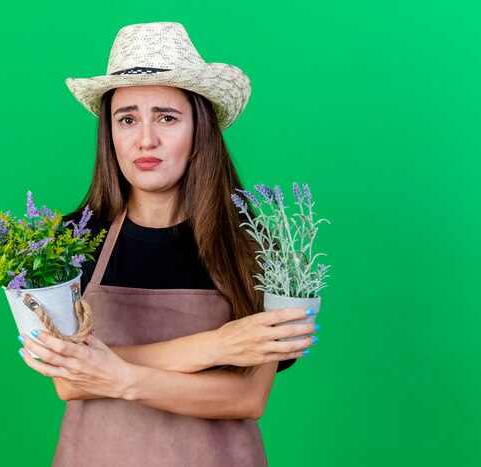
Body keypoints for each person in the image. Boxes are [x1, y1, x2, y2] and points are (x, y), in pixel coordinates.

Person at [17, 22, 319, 466]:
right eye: (127, 119)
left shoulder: (253, 244)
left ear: (200, 128)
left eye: (167, 117)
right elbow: (69, 380)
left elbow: (248, 398)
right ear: (110, 134)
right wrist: (218, 346)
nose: (145, 140)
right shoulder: (68, 241)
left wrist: (119, 376)